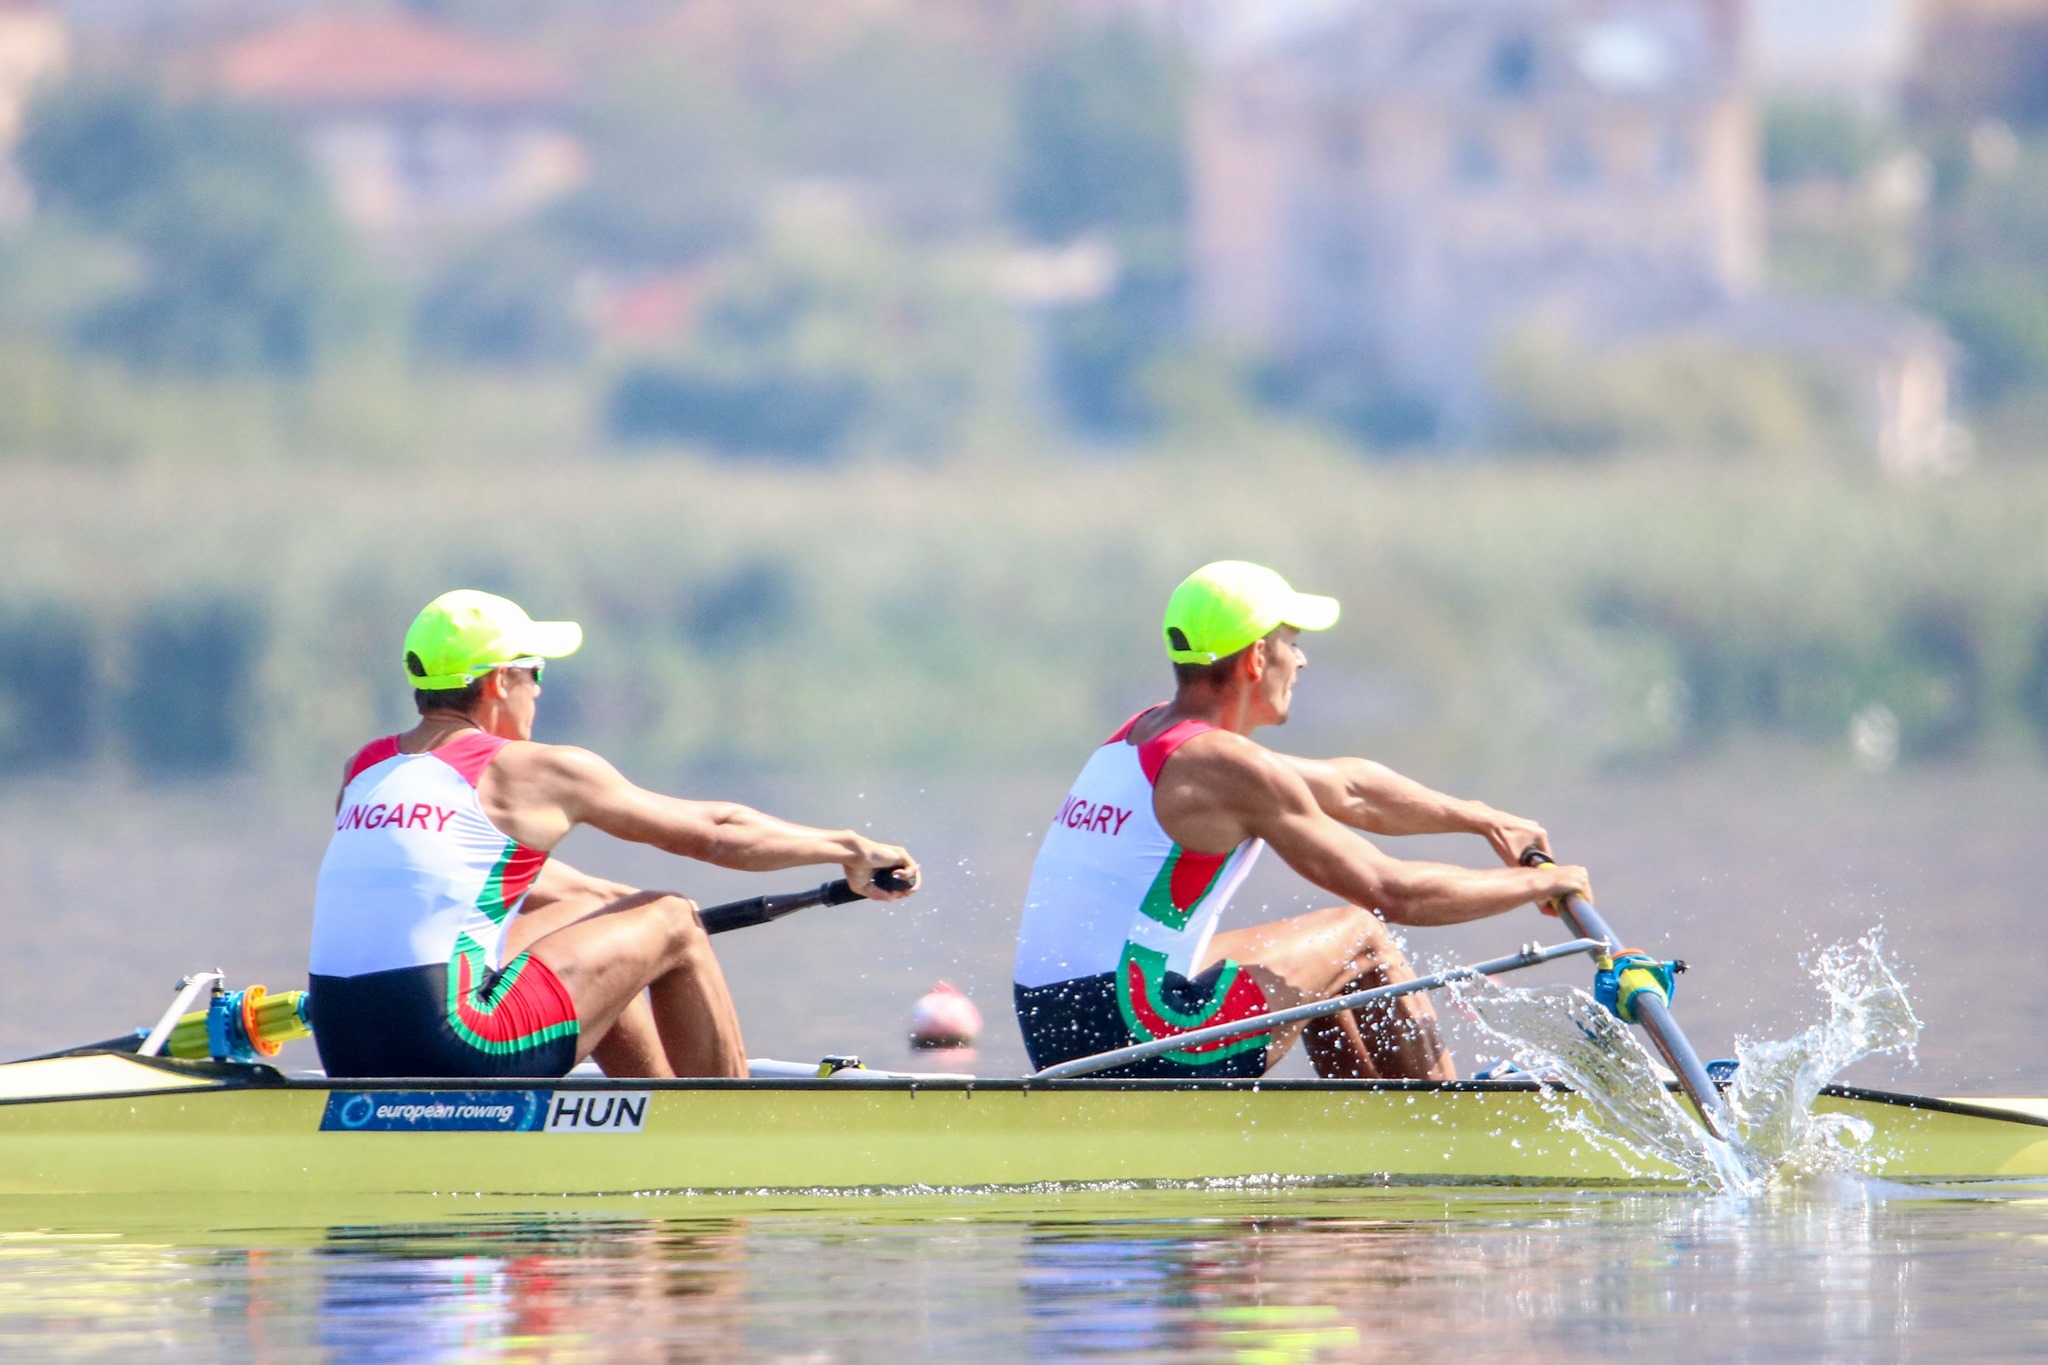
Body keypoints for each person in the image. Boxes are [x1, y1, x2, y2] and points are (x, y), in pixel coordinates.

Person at [1013, 561, 1591, 1081]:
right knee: (1359, 935)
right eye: (1292, 643)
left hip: (1057, 1028)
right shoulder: (1226, 766)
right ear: (1257, 659)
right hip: (1128, 1035)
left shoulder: (1145, 737)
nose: (1302, 659)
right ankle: (1449, 1123)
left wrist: (1484, 820)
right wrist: (1541, 882)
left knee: (1318, 961)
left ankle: (1372, 1125)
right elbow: (1394, 893)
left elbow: (1350, 789)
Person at [309, 589, 918, 1080]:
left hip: (348, 1053)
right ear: (499, 682)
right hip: (456, 1049)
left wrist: (631, 929)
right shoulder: (535, 770)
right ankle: (729, 1128)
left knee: (605, 917)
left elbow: (539, 893)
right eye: (534, 673)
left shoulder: (367, 769)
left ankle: (652, 1111)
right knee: (673, 917)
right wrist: (851, 849)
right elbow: (715, 833)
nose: (538, 690)